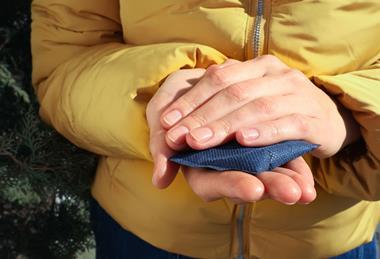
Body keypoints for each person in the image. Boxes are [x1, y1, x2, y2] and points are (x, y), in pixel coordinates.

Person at [31, 0, 380, 258]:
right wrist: (159, 105)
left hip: (335, 240)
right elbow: (62, 66)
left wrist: (344, 115)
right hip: (144, 235)